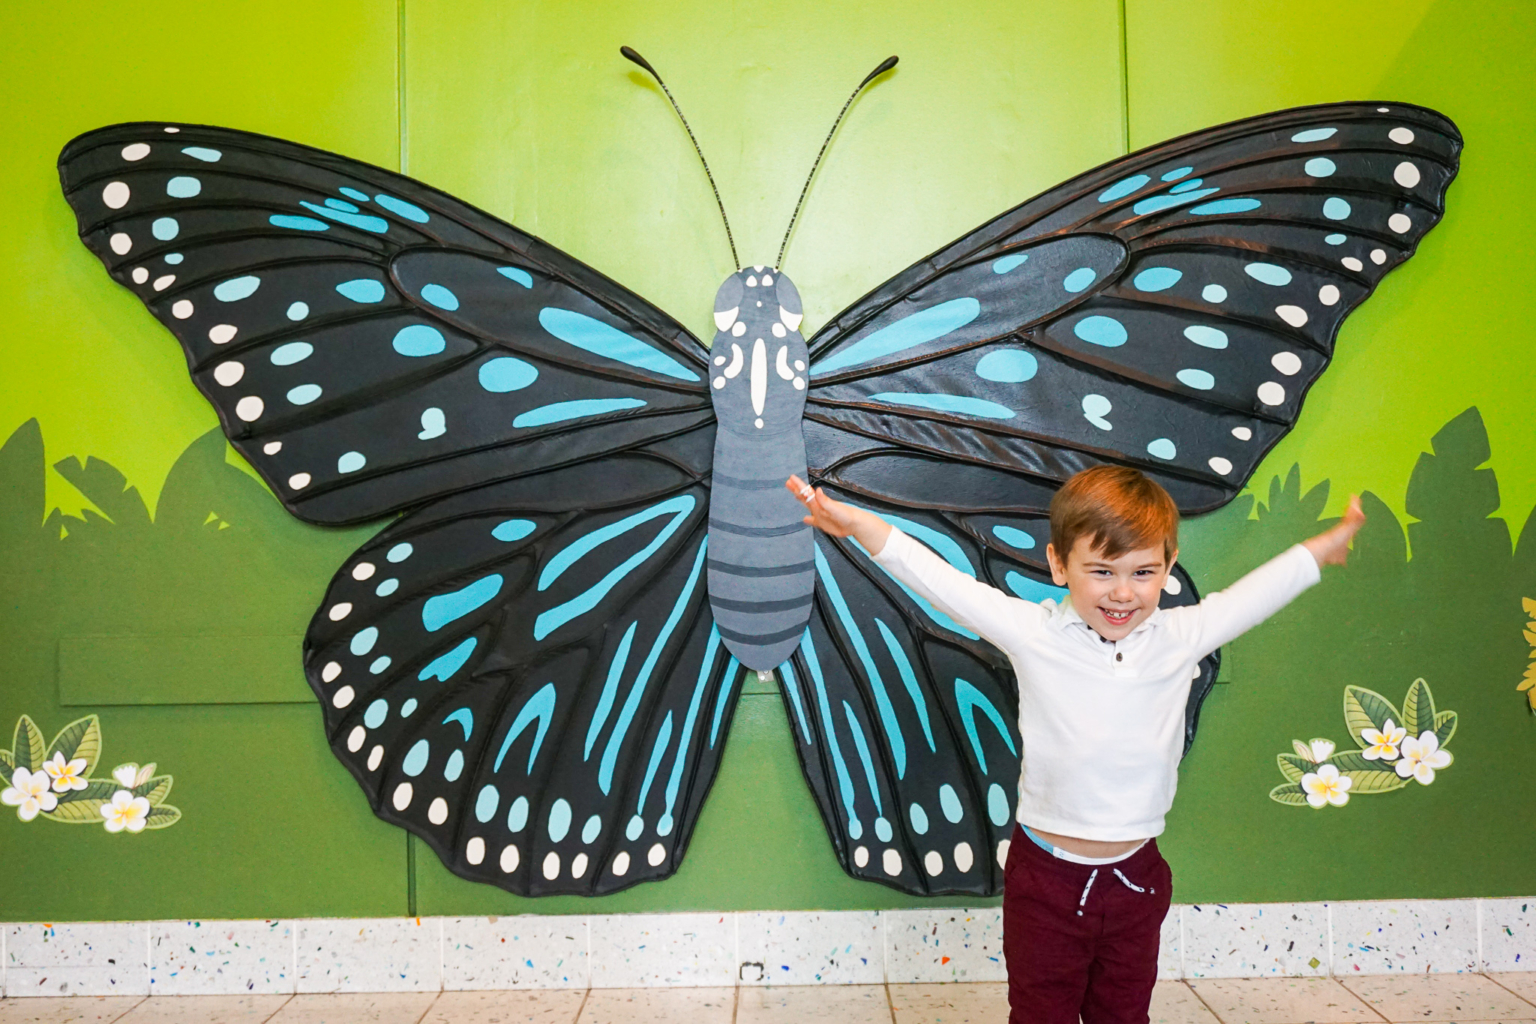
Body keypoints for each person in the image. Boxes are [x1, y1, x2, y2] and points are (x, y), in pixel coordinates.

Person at [785, 465, 1365, 1024]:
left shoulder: (1181, 636)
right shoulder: (1034, 633)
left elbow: (1253, 596)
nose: (1123, 593)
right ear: (1059, 565)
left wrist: (1321, 549)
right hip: (1046, 879)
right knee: (1041, 1014)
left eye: (1143, 572)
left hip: (1136, 877)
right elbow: (942, 585)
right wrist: (860, 526)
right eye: (1102, 571)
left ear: (1169, 567)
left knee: (1123, 1013)